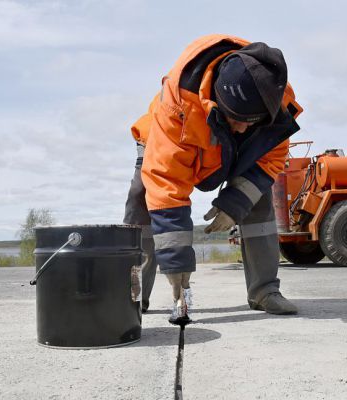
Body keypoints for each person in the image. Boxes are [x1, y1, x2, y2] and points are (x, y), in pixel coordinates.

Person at [123, 34, 303, 324]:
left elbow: (272, 157)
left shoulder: (273, 97)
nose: (243, 128)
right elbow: (167, 185)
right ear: (217, 100)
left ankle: (265, 290)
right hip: (167, 140)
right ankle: (133, 295)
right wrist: (176, 260)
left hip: (229, 150)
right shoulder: (176, 106)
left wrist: (235, 203)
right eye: (236, 119)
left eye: (251, 121)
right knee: (141, 199)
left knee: (258, 202)